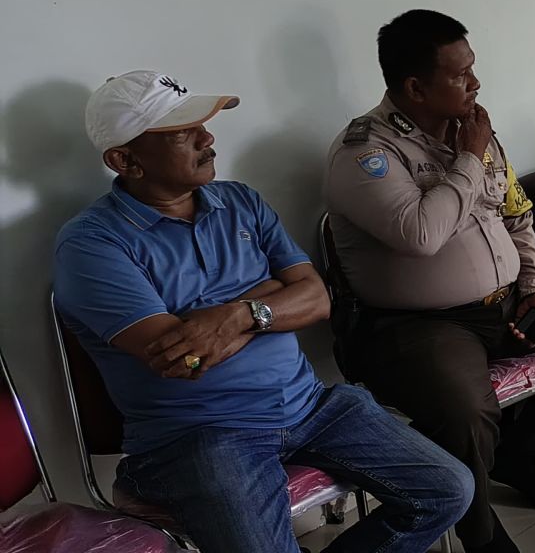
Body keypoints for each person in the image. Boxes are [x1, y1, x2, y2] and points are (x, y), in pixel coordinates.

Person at [54, 71, 472, 553]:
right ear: (125, 160)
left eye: (203, 126)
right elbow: (183, 357)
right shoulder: (92, 243)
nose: (208, 140)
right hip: (201, 434)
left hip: (310, 405)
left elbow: (317, 298)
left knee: (447, 490)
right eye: (183, 133)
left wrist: (235, 315)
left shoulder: (241, 201)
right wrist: (275, 294)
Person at [323, 10, 535, 553]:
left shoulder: (476, 132)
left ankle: (512, 453)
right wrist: (467, 158)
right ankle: (480, 533)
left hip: (505, 305)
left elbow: (517, 215)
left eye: (473, 68)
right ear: (415, 88)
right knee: (465, 410)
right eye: (460, 75)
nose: (476, 83)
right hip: (419, 326)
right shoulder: (365, 152)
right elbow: (420, 234)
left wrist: (534, 287)